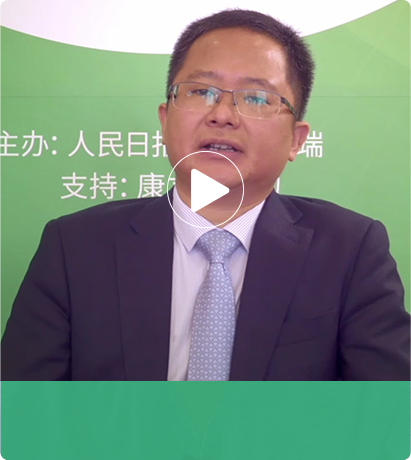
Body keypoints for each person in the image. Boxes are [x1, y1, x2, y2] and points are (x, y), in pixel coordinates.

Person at [2, 9, 409, 381]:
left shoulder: (350, 251)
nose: (222, 115)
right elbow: (21, 413)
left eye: (256, 98)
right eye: (200, 91)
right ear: (165, 120)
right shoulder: (75, 247)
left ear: (296, 140)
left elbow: (388, 415)